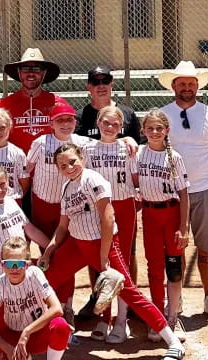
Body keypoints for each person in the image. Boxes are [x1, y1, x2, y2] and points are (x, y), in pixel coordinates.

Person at [39, 143, 186, 360]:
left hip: (103, 244)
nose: (69, 167)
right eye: (62, 165)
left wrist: (103, 259)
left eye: (72, 161)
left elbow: (107, 219)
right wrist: (48, 251)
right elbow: (62, 226)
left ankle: (173, 342)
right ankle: (44, 332)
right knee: (44, 280)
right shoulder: (66, 187)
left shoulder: (93, 179)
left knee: (128, 291)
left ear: (82, 158)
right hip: (77, 245)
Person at [159, 61, 208, 323]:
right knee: (173, 249)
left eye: (191, 83)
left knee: (206, 249)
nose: (187, 88)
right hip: (173, 194)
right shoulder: (163, 115)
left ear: (197, 87)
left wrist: (199, 173)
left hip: (204, 190)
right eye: (182, 83)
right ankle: (173, 300)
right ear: (173, 87)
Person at [76, 66, 143, 318]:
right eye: (95, 81)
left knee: (128, 252)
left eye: (105, 80)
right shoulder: (82, 115)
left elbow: (140, 148)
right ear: (89, 86)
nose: (101, 84)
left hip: (122, 196)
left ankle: (130, 298)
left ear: (112, 83)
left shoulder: (127, 113)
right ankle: (98, 299)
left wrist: (129, 140)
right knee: (98, 252)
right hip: (95, 200)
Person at [26, 104, 93, 334]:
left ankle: (66, 307)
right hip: (43, 205)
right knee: (48, 256)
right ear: (51, 123)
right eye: (60, 120)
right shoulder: (40, 143)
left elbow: (107, 142)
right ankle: (47, 305)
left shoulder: (82, 143)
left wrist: (128, 140)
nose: (65, 124)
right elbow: (27, 170)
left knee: (66, 258)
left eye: (69, 119)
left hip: (70, 206)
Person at [0, 237, 71, 360]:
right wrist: (7, 349)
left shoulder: (35, 273)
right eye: (9, 263)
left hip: (37, 334)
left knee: (61, 326)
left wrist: (27, 331)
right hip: (12, 335)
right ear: (2, 264)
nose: (14, 268)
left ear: (27, 264)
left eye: (20, 263)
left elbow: (57, 309)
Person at [82, 106, 140, 343]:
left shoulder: (128, 147)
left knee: (123, 263)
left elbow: (136, 180)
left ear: (121, 126)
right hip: (98, 207)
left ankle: (121, 318)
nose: (109, 127)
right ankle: (103, 318)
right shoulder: (86, 148)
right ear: (98, 122)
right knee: (101, 262)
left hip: (124, 206)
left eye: (115, 124)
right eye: (105, 122)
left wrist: (129, 139)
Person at [134, 108, 190, 342]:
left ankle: (172, 316)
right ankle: (157, 317)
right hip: (149, 214)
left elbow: (184, 194)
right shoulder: (137, 154)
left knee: (174, 267)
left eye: (159, 128)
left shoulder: (173, 157)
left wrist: (184, 227)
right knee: (155, 267)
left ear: (167, 131)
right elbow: (135, 185)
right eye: (150, 128)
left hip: (172, 214)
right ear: (143, 131)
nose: (155, 132)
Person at [0, 163, 49, 300]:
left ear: (8, 181)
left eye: (2, 184)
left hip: (19, 273)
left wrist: (51, 248)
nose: (0, 190)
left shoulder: (11, 202)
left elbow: (29, 229)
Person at [0, 48, 69, 155]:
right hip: (17, 166)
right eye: (25, 69)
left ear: (44, 72)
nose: (31, 73)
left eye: (36, 69)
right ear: (19, 72)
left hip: (49, 167)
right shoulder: (5, 105)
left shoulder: (57, 104)